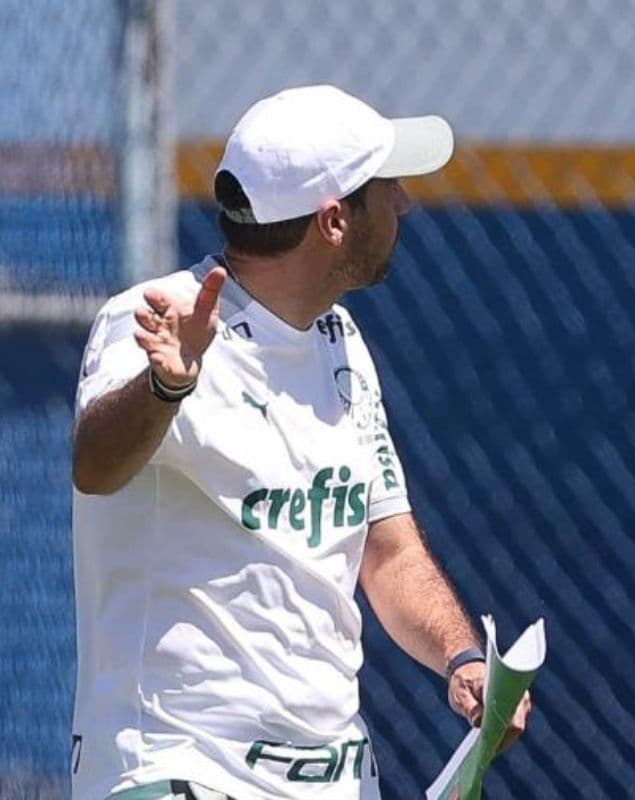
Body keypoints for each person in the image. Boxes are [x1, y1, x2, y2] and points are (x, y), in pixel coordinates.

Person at [71, 84, 531, 800]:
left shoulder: (340, 342)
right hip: (176, 769)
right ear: (335, 221)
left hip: (336, 777)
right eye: (387, 189)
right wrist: (168, 387)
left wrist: (461, 657)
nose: (404, 204)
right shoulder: (157, 317)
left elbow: (389, 550)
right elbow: (95, 466)